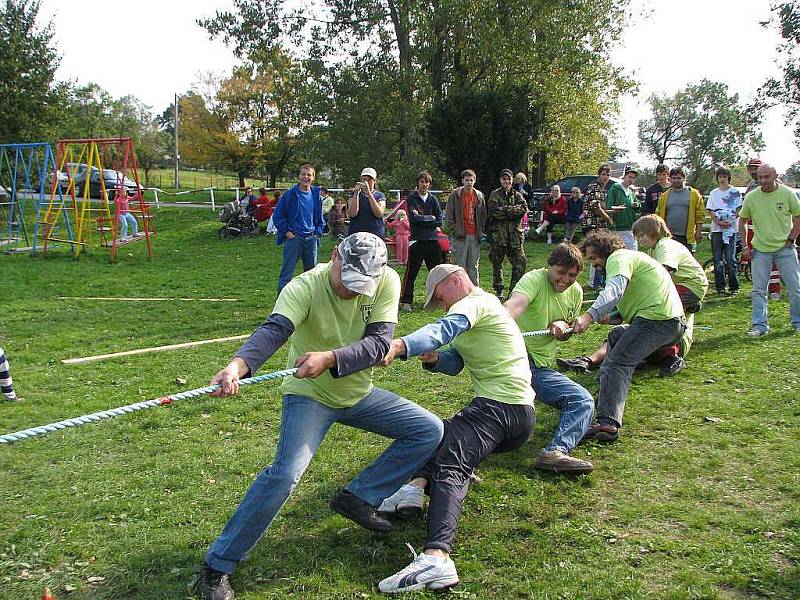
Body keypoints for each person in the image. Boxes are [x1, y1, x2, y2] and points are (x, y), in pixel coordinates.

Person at [197, 233, 444, 600]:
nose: (352, 292)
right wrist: (237, 366)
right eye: (348, 282)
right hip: (309, 396)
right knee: (284, 475)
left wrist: (328, 358)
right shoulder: (305, 286)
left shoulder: (385, 281)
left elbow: (379, 344)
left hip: (358, 394)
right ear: (335, 258)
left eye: (361, 286)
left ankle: (358, 496)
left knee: (429, 430)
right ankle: (217, 566)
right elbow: (274, 331)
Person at [377, 264, 535, 593]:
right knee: (439, 433)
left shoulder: (475, 302)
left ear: (456, 281)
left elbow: (442, 329)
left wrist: (401, 345)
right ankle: (415, 488)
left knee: (451, 463)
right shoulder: (477, 309)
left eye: (440, 297)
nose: (442, 304)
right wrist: (434, 360)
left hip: (501, 408)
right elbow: (454, 362)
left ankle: (436, 557)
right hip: (511, 412)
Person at [570, 231, 685, 443]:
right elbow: (629, 308)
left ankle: (607, 423)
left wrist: (589, 316)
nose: (594, 264)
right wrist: (610, 317)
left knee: (618, 363)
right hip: (670, 323)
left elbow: (614, 291)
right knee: (617, 335)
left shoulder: (619, 258)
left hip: (659, 321)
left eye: (594, 258)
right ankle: (605, 390)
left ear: (605, 251)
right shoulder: (632, 259)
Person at [504, 244, 594, 474]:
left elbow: (563, 336)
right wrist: (496, 324)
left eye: (572, 275)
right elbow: (515, 305)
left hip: (542, 366)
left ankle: (554, 452)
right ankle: (555, 453)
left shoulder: (576, 293)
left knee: (581, 401)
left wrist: (563, 328)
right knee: (581, 401)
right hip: (518, 359)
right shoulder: (534, 279)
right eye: (560, 272)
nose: (565, 279)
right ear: (550, 267)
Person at [633, 214, 709, 375]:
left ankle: (671, 355)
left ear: (653, 232)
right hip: (681, 285)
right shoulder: (654, 250)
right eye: (637, 237)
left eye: (642, 235)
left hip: (689, 285)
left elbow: (665, 269)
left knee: (662, 315)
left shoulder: (665, 245)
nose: (640, 240)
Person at [738, 163, 800, 337]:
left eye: (767, 177)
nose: (763, 181)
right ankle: (760, 326)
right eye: (760, 177)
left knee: (795, 288)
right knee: (758, 290)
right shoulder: (751, 197)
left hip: (785, 249)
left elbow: (798, 216)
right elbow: (741, 221)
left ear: (775, 176)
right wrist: (745, 246)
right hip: (760, 250)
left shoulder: (788, 194)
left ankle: (798, 322)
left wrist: (791, 239)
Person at [272, 165, 324, 293]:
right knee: (286, 275)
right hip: (294, 239)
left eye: (309, 175)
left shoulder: (316, 194)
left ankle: (310, 305)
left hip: (311, 239)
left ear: (313, 178)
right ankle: (281, 308)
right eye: (303, 174)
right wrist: (287, 232)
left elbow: (319, 217)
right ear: (299, 176)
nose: (306, 177)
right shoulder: (290, 195)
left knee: (312, 276)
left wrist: (317, 232)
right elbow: (278, 216)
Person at [399, 171, 443, 311]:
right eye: (422, 182)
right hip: (417, 240)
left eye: (427, 182)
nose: (424, 185)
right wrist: (430, 218)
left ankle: (437, 300)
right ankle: (406, 301)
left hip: (432, 239)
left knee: (437, 273)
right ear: (418, 183)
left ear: (430, 184)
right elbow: (413, 219)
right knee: (411, 273)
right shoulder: (411, 198)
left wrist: (424, 218)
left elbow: (439, 220)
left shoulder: (433, 199)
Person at [486, 169, 528, 298]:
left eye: (508, 179)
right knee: (497, 264)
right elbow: (494, 212)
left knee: (520, 263)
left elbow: (523, 209)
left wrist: (506, 210)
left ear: (512, 180)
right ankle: (499, 290)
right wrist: (512, 211)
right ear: (500, 180)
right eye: (504, 179)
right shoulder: (494, 195)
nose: (507, 181)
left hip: (514, 237)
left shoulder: (517, 195)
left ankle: (514, 290)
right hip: (498, 237)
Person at [745, 158, 782, 300]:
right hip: (753, 227)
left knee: (773, 260)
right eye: (751, 168)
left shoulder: (776, 185)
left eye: (756, 168)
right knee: (755, 258)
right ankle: (758, 289)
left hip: (770, 227)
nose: (753, 171)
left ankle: (774, 291)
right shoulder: (750, 186)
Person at [445, 169, 487, 286]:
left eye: (471, 180)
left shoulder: (479, 196)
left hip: (475, 235)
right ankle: (459, 291)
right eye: (466, 180)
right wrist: (453, 229)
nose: (469, 182)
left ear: (475, 181)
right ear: (462, 181)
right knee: (459, 266)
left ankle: (474, 290)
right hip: (460, 236)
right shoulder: (455, 195)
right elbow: (449, 214)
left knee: (473, 266)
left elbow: (483, 214)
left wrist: (481, 230)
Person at [706, 166, 743, 295]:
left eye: (724, 176)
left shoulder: (735, 192)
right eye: (720, 177)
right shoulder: (714, 193)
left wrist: (730, 221)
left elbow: (739, 210)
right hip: (717, 230)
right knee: (717, 259)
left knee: (730, 258)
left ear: (728, 177)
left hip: (730, 230)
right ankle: (720, 287)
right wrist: (718, 221)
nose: (722, 179)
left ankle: (734, 286)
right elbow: (711, 210)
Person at [655, 167, 705, 250]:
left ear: (684, 178)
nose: (676, 180)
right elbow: (658, 215)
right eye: (674, 178)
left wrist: (698, 232)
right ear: (670, 179)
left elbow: (700, 215)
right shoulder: (664, 196)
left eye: (679, 178)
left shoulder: (694, 194)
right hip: (669, 235)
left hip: (686, 237)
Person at [583, 164, 614, 288]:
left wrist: (611, 212)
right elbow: (595, 207)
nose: (605, 177)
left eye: (608, 175)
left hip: (598, 224)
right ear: (598, 175)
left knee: (599, 253)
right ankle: (594, 283)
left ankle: (597, 282)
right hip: (592, 225)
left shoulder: (602, 189)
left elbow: (602, 208)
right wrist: (608, 218)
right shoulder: (594, 187)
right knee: (595, 253)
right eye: (603, 174)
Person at [606, 166, 640, 250]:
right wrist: (616, 209)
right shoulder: (615, 189)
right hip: (617, 227)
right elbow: (608, 207)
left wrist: (637, 205)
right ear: (624, 176)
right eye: (629, 177)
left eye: (633, 178)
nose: (631, 179)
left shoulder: (631, 192)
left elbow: (638, 206)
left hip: (630, 227)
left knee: (633, 252)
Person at [348, 167, 386, 238]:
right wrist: (356, 193)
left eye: (369, 180)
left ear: (374, 181)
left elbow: (379, 213)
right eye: (364, 179)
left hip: (375, 234)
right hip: (356, 234)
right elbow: (352, 214)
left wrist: (369, 194)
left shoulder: (380, 195)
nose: (367, 182)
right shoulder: (354, 195)